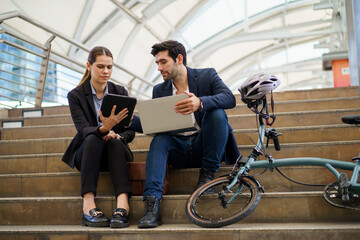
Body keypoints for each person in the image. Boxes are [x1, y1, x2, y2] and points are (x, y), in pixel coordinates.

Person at [132, 40, 241, 228]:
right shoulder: (160, 90)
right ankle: (152, 207)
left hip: (205, 146)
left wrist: (200, 102)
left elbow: (229, 98)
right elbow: (154, 126)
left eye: (163, 62)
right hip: (178, 150)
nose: (159, 68)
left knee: (217, 113)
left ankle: (206, 178)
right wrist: (127, 121)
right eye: (157, 63)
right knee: (160, 139)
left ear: (179, 59)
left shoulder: (207, 75)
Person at [62, 46, 134, 228]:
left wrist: (117, 134)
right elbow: (83, 130)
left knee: (115, 143)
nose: (106, 71)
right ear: (89, 66)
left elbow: (130, 131)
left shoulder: (120, 91)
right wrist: (103, 129)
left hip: (114, 153)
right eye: (100, 66)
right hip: (88, 154)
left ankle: (122, 203)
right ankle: (88, 205)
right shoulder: (76, 95)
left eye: (109, 67)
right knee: (93, 138)